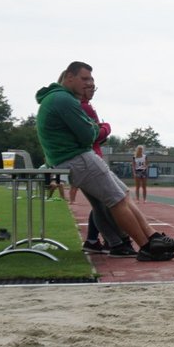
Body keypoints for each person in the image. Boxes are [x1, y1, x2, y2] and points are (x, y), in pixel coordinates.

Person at [36, 61, 174, 262]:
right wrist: (99, 128)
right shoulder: (64, 100)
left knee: (122, 194)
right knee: (117, 201)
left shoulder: (56, 98)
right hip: (77, 158)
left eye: (91, 80)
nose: (89, 83)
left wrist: (92, 128)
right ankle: (146, 246)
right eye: (84, 79)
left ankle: (152, 237)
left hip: (71, 159)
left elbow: (86, 132)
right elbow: (88, 136)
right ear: (69, 77)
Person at [73, 75, 132, 256]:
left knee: (100, 205)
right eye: (88, 87)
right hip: (91, 159)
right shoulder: (83, 107)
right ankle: (117, 241)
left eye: (94, 88)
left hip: (88, 158)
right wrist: (106, 127)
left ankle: (102, 241)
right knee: (110, 201)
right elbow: (93, 134)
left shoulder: (78, 106)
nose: (92, 91)